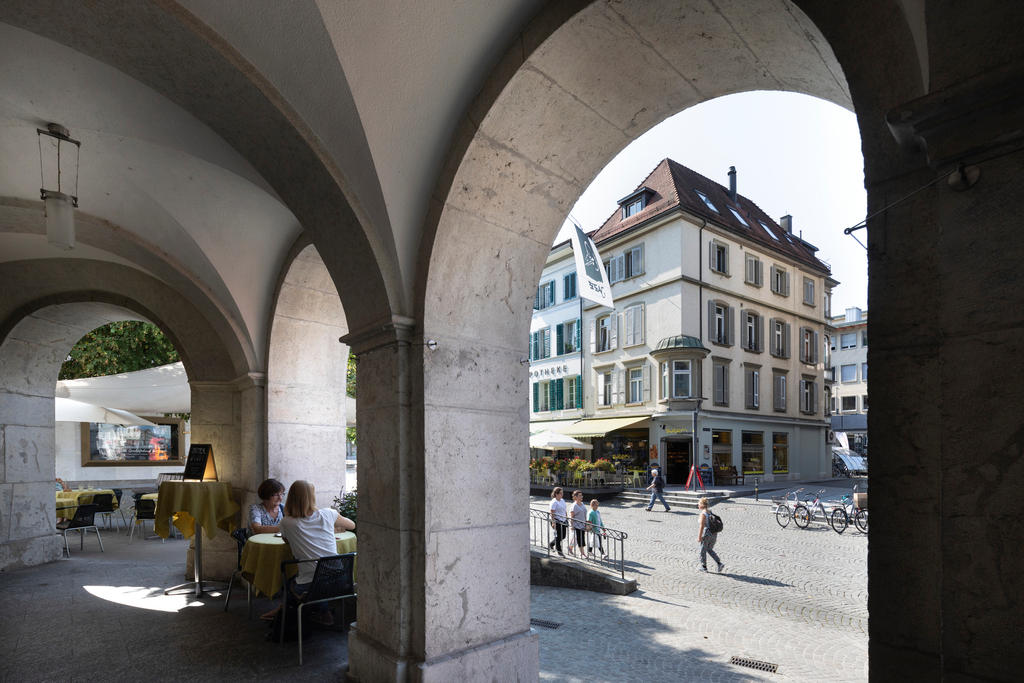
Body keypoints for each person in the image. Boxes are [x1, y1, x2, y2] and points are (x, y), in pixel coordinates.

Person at [276, 480, 356, 624]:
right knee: (319, 576)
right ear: (312, 497)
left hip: (311, 587)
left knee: (289, 580)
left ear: (291, 498)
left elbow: (287, 541)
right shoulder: (328, 513)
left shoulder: (286, 522)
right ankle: (323, 613)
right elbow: (352, 525)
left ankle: (283, 615)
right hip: (341, 581)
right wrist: (329, 529)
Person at [697, 497, 724, 573]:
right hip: (714, 533)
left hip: (706, 534)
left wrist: (699, 537)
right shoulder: (710, 512)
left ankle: (704, 567)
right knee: (709, 549)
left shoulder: (703, 513)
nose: (698, 505)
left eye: (699, 503)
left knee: (702, 550)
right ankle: (719, 563)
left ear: (702, 505)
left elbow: (702, 526)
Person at [547, 486, 567, 557]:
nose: (562, 494)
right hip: (556, 520)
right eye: (560, 493)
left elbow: (565, 510)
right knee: (558, 536)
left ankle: (551, 544)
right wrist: (553, 522)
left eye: (562, 493)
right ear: (556, 494)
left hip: (563, 520)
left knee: (563, 536)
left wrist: (566, 518)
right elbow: (552, 512)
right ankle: (559, 551)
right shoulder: (554, 502)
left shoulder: (562, 500)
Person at [568, 490, 588, 559]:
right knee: (580, 539)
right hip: (577, 525)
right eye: (580, 495)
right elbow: (571, 517)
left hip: (582, 524)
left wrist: (586, 523)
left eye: (581, 495)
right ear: (575, 497)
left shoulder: (582, 504)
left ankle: (570, 548)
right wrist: (572, 526)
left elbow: (585, 514)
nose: (581, 497)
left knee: (577, 538)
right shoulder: (574, 506)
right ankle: (582, 553)